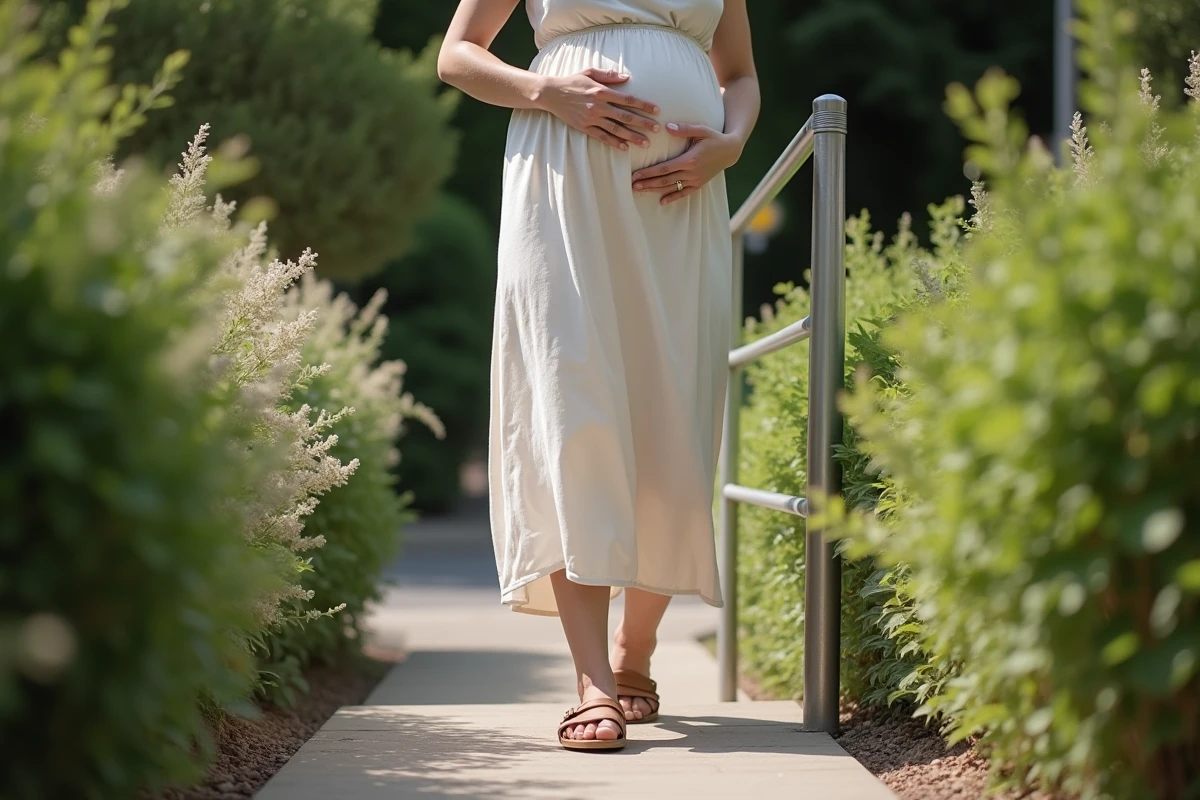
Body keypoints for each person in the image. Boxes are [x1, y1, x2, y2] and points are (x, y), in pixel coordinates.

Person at [437, 0, 760, 752]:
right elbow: (457, 54)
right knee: (570, 396)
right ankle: (592, 681)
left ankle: (634, 650)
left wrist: (733, 144)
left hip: (681, 201)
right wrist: (548, 92)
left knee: (672, 410)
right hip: (562, 183)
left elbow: (740, 74)